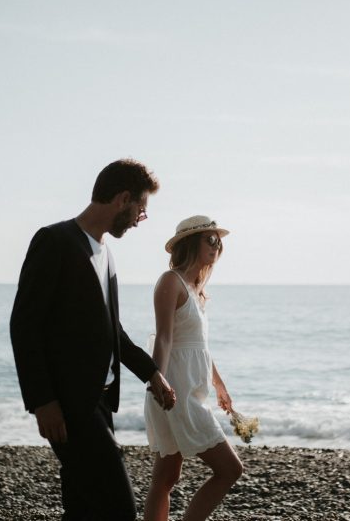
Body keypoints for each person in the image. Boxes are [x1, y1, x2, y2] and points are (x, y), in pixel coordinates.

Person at [10, 159, 176, 521]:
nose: (138, 220)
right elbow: (24, 325)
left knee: (84, 507)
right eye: (141, 211)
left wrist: (151, 373)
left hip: (100, 401)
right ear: (123, 199)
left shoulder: (106, 254)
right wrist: (43, 401)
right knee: (119, 509)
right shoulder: (54, 241)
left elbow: (110, 328)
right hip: (69, 405)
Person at [143, 215, 244, 521]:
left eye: (219, 241)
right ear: (190, 243)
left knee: (166, 477)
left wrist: (219, 385)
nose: (216, 246)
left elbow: (199, 346)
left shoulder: (196, 289)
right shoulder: (170, 281)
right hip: (175, 390)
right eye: (209, 239)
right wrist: (157, 381)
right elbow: (163, 337)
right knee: (229, 469)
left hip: (191, 390)